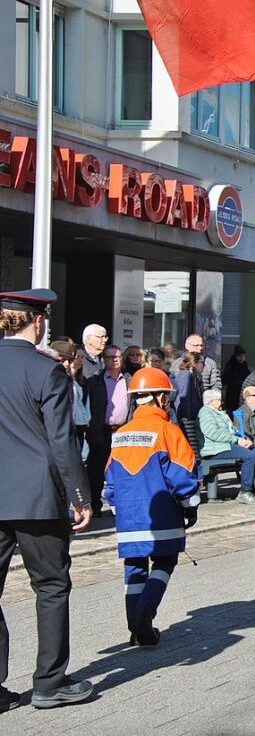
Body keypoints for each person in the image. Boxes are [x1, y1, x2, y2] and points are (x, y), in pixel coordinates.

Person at [0, 289, 93, 710]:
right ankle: (49, 682)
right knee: (52, 586)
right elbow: (62, 440)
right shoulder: (46, 371)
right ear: (37, 322)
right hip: (37, 496)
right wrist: (80, 496)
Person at [104, 367, 200, 646]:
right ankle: (145, 616)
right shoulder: (168, 431)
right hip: (162, 516)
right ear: (160, 398)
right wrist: (190, 508)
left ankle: (135, 629)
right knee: (165, 561)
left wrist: (115, 506)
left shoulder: (121, 434)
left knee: (134, 568)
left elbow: (110, 481)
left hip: (129, 517)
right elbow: (182, 477)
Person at [84, 344, 130, 515]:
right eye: (111, 357)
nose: (115, 359)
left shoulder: (129, 379)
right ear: (104, 360)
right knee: (96, 470)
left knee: (121, 469)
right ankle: (95, 506)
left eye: (118, 356)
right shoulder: (95, 381)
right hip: (101, 430)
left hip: (123, 430)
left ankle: (121, 505)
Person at [198, 390, 255, 505]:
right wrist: (236, 440)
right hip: (214, 449)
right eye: (218, 399)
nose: (221, 402)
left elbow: (232, 430)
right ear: (211, 401)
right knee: (249, 456)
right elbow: (213, 433)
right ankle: (245, 491)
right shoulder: (205, 413)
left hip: (225, 445)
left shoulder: (219, 413)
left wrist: (243, 439)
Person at [172, 352, 204, 422]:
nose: (203, 365)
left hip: (193, 417)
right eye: (202, 362)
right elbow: (183, 396)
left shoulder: (195, 376)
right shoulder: (185, 374)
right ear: (194, 363)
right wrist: (185, 416)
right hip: (186, 418)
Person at [222, 345, 250, 413]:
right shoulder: (230, 365)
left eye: (243, 356)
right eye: (240, 356)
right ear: (236, 356)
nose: (242, 358)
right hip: (232, 394)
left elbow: (248, 375)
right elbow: (225, 379)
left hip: (242, 392)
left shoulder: (244, 365)